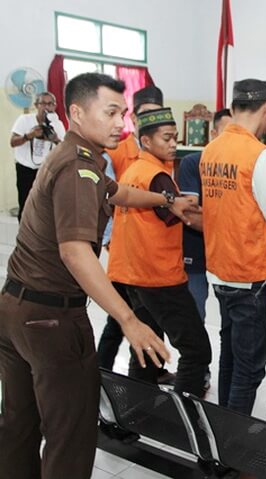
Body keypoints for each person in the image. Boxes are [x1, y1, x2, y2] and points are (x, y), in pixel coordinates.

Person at [0, 72, 195, 479]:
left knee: (19, 426)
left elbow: (118, 192)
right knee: (70, 434)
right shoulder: (77, 167)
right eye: (110, 112)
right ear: (75, 111)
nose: (119, 124)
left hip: (16, 309)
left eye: (121, 114)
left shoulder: (76, 154)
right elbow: (74, 252)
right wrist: (129, 320)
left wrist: (166, 199)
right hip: (51, 320)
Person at [200, 79, 266, 415]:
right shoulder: (257, 156)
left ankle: (222, 430)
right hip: (248, 277)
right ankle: (233, 447)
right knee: (250, 367)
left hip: (219, 270)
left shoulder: (211, 149)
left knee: (230, 356)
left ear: (231, 110)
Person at [107, 107, 211, 397]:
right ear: (147, 141)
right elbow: (189, 219)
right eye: (166, 138)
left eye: (175, 137)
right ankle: (184, 420)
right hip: (159, 277)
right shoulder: (157, 177)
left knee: (147, 346)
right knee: (196, 351)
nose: (173, 143)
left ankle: (136, 411)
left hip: (132, 275)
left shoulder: (134, 170)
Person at [96, 85, 166, 372]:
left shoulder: (164, 149)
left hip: (151, 253)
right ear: (134, 119)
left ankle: (152, 370)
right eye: (145, 116)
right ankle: (101, 373)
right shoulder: (116, 151)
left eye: (157, 115)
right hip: (125, 251)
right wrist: (112, 242)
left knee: (149, 317)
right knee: (121, 318)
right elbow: (109, 198)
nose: (151, 122)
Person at [178, 108, 232, 392]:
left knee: (230, 324)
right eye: (226, 133)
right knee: (195, 315)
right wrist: (232, 220)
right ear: (213, 135)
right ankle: (199, 372)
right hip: (195, 252)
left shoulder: (243, 166)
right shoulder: (192, 162)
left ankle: (228, 379)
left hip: (228, 256)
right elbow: (190, 212)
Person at [10, 91, 66, 221]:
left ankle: (42, 237)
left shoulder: (57, 124)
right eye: (43, 103)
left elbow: (64, 148)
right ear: (36, 105)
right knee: (25, 203)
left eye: (50, 104)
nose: (47, 107)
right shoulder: (24, 120)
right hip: (25, 169)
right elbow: (12, 142)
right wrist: (29, 136)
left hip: (47, 170)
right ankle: (24, 237)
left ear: (55, 106)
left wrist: (55, 139)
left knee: (47, 204)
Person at [107, 85, 164, 180]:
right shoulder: (113, 153)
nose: (152, 119)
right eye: (147, 112)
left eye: (157, 114)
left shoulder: (164, 152)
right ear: (133, 117)